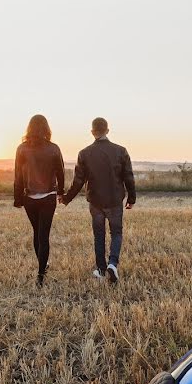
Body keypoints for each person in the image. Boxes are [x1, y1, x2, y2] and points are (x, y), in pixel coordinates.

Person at [62, 117, 135, 283]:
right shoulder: (121, 151)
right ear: (107, 131)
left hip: (95, 202)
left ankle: (101, 270)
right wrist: (131, 198)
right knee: (116, 233)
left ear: (92, 132)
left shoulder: (84, 153)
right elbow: (128, 177)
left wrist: (67, 198)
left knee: (99, 235)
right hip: (115, 200)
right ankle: (113, 264)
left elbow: (78, 182)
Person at [14, 114, 66, 286]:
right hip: (48, 197)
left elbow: (18, 176)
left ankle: (42, 268)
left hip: (29, 197)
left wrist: (17, 198)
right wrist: (61, 192)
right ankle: (41, 274)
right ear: (46, 128)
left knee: (37, 233)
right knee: (44, 236)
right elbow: (60, 172)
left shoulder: (22, 149)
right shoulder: (53, 148)